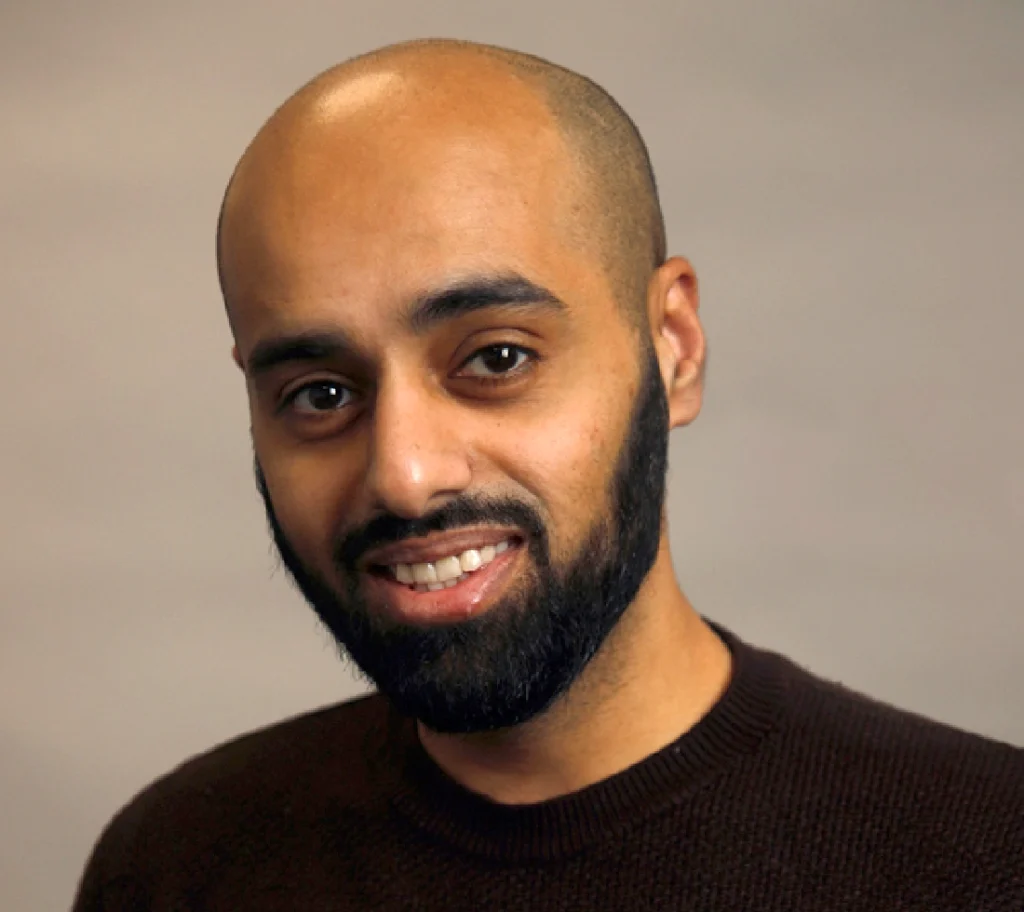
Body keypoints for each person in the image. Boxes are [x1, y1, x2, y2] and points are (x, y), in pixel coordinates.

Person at [72, 39, 1022, 911]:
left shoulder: (987, 857)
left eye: (497, 359)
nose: (404, 475)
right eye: (321, 394)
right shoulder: (176, 865)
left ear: (673, 347)